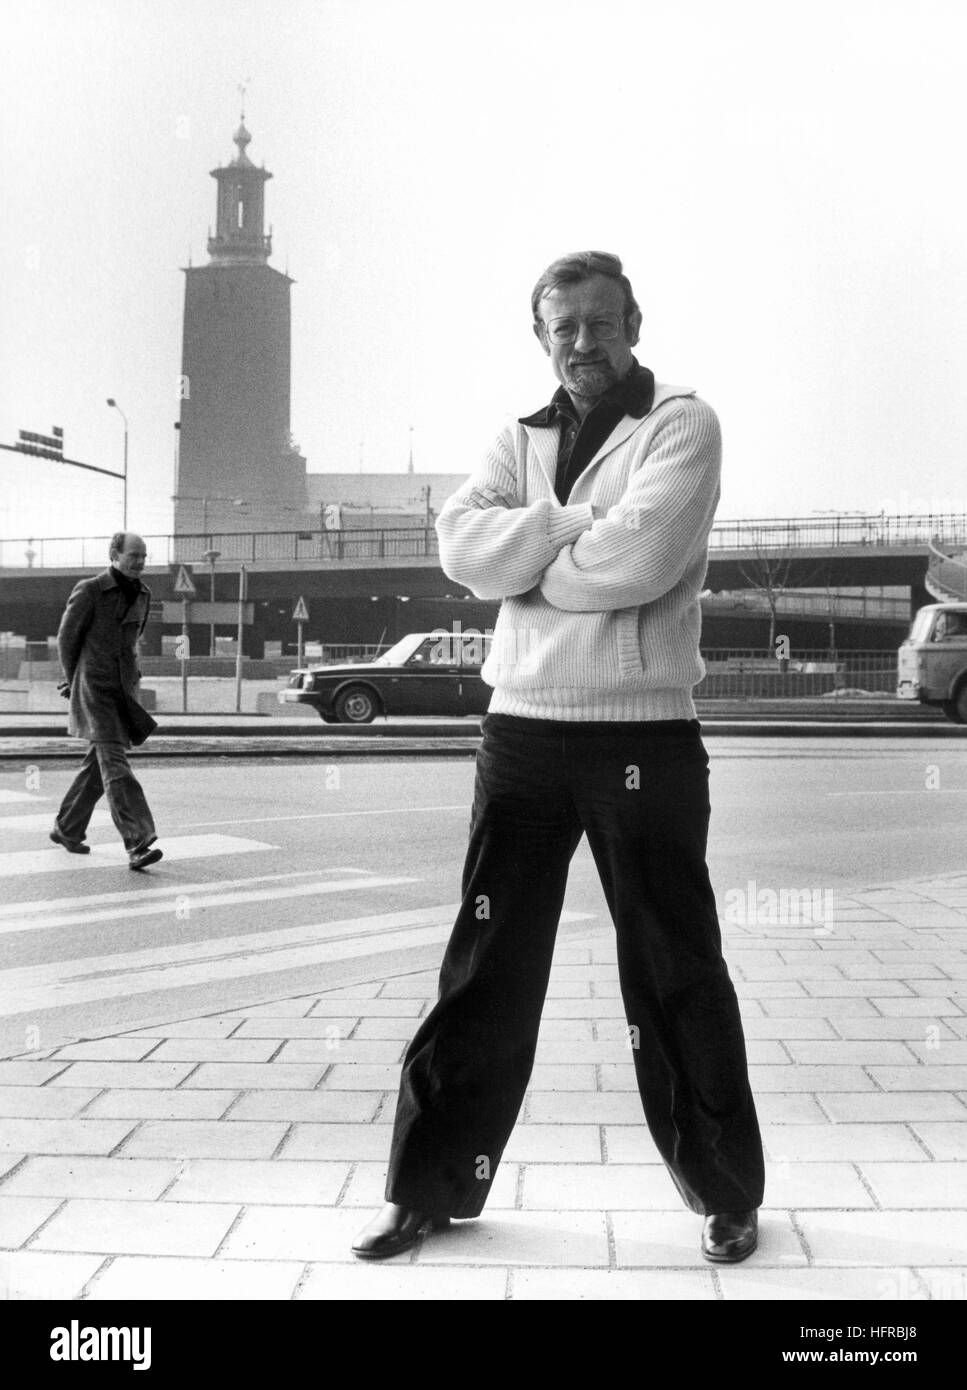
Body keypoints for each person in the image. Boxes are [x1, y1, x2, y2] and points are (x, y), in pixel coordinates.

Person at [352, 251, 764, 1265]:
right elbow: (462, 552)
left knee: (673, 964)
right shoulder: (516, 435)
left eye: (600, 321)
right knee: (485, 964)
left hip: (642, 738)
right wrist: (566, 528)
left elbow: (638, 562)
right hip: (522, 734)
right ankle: (430, 1191)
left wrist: (530, 558)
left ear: (633, 319)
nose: (584, 342)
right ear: (541, 336)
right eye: (563, 327)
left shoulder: (681, 421)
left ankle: (725, 1194)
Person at [50, 531, 163, 870]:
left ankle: (67, 827)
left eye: (144, 556)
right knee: (115, 764)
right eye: (134, 555)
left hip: (122, 692)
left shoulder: (143, 594)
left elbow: (131, 644)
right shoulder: (89, 590)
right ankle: (138, 841)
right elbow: (66, 640)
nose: (140, 562)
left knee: (98, 767)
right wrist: (75, 681)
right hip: (94, 689)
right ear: (114, 554)